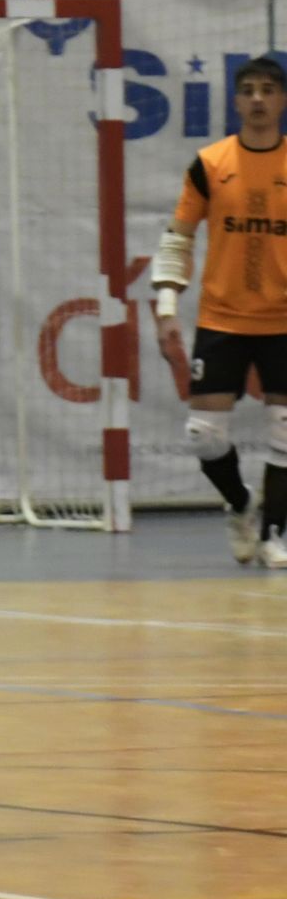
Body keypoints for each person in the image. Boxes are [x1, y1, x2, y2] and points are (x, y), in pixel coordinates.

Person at [154, 55, 287, 569]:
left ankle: (275, 534)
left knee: (285, 431)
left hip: (282, 321)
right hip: (222, 319)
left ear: (282, 100)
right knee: (204, 436)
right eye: (249, 90)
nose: (258, 99)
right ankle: (240, 504)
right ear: (235, 101)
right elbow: (178, 238)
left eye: (268, 90)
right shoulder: (209, 164)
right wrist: (167, 306)